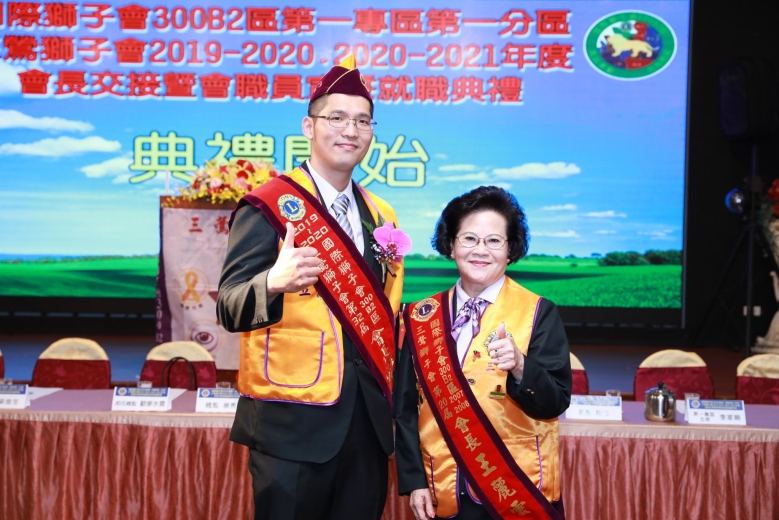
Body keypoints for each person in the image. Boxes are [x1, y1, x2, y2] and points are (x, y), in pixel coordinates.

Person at [217, 56, 404, 520]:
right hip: (291, 423)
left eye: (362, 121)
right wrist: (272, 282)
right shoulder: (268, 205)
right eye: (336, 118)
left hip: (366, 426)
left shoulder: (382, 216)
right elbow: (229, 306)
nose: (350, 130)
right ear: (309, 126)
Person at [394, 186, 571, 520]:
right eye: (469, 239)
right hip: (441, 489)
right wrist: (414, 480)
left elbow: (555, 401)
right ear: (450, 245)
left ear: (510, 250)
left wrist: (520, 367)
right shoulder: (420, 317)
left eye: (494, 241)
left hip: (514, 489)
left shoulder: (538, 312)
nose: (480, 250)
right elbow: (404, 410)